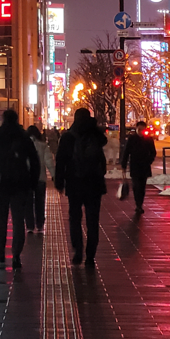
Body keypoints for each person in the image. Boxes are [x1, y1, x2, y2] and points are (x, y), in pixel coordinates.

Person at [0, 109, 40, 269]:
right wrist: (32, 182)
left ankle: (0, 249)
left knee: (1, 216)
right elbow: (34, 161)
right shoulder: (24, 137)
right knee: (19, 219)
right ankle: (16, 254)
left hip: (0, 183)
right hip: (20, 184)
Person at [55, 107, 107, 267]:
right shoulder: (96, 136)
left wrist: (59, 181)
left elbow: (61, 161)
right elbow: (102, 159)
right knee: (93, 220)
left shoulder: (68, 137)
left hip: (75, 183)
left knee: (75, 218)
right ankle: (90, 255)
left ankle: (78, 250)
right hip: (94, 184)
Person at [121, 121, 157, 215]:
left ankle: (140, 204)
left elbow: (153, 152)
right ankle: (138, 205)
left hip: (144, 166)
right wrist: (123, 165)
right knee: (136, 186)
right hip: (135, 166)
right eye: (139, 129)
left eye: (143, 129)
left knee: (142, 187)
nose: (141, 131)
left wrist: (149, 161)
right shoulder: (132, 139)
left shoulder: (148, 139)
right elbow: (126, 152)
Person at [25, 125, 55, 233]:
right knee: (40, 201)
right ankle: (40, 224)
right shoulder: (43, 146)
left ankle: (29, 225)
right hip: (40, 177)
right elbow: (49, 161)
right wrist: (53, 175)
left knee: (28, 202)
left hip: (26, 178)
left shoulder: (24, 145)